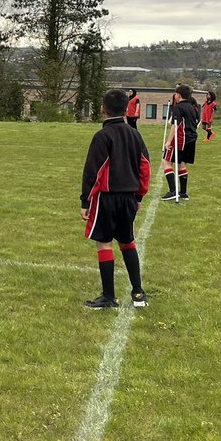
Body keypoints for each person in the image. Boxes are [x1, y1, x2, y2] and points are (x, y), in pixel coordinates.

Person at [80, 88, 151, 308]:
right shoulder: (135, 134)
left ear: (102, 109)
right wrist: (138, 197)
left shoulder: (102, 136)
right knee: (127, 241)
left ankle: (109, 297)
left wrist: (86, 201)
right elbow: (145, 167)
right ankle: (138, 293)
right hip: (129, 198)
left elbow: (94, 171)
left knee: (104, 243)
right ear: (127, 108)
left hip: (107, 198)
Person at [161, 84, 198, 201]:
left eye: (175, 93)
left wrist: (168, 141)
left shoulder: (179, 107)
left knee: (166, 162)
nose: (174, 95)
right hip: (191, 138)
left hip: (180, 139)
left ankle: (173, 191)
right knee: (181, 164)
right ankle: (183, 193)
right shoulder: (192, 107)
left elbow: (175, 125)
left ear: (179, 95)